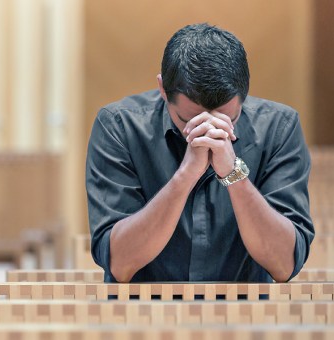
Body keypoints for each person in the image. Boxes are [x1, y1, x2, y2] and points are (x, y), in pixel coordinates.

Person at [85, 23, 314, 284]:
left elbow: (283, 264)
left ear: (244, 94)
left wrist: (233, 173)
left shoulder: (279, 128)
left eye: (227, 120)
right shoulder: (119, 126)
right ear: (162, 89)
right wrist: (186, 174)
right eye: (189, 121)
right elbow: (120, 263)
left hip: (247, 318)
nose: (208, 133)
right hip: (142, 317)